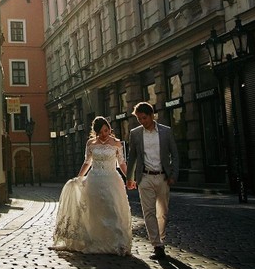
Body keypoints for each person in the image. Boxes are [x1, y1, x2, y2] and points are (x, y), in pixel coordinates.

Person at [51, 116, 132, 255]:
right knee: (95, 212)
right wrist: (79, 177)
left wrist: (129, 178)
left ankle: (118, 243)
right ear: (96, 132)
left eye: (106, 130)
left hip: (112, 180)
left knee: (113, 210)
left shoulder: (117, 143)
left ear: (109, 129)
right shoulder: (91, 144)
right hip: (94, 180)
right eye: (100, 132)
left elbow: (122, 163)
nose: (104, 134)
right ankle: (96, 240)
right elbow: (87, 162)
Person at [126, 101, 180, 260]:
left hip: (163, 177)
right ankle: (157, 245)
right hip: (145, 178)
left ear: (151, 115)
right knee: (148, 212)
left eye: (144, 118)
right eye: (139, 119)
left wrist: (173, 175)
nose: (142, 122)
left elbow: (175, 155)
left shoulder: (166, 132)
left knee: (162, 213)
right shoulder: (135, 133)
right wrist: (130, 178)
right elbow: (132, 157)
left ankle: (160, 239)